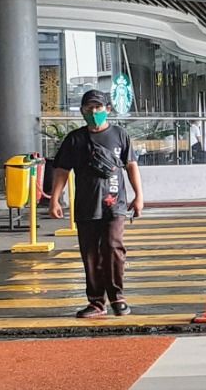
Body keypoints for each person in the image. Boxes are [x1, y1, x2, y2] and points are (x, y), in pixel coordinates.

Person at [49, 90, 144, 318]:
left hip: (115, 204)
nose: (94, 112)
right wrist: (55, 198)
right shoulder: (75, 139)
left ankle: (117, 297)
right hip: (86, 205)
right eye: (89, 108)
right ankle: (96, 302)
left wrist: (138, 196)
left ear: (107, 110)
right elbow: (62, 170)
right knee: (90, 253)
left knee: (113, 247)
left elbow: (131, 166)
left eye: (98, 108)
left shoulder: (120, 135)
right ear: (82, 110)